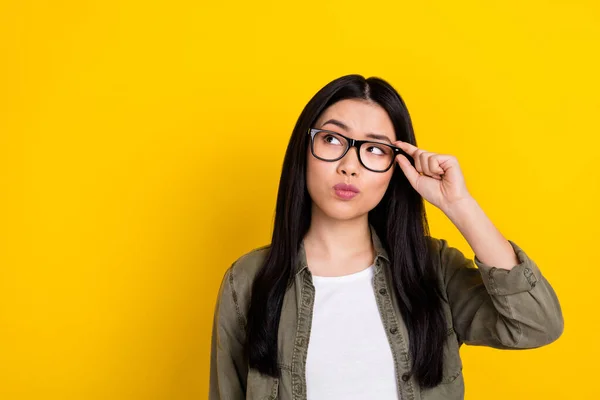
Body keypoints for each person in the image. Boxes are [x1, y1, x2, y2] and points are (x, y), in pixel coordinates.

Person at [208, 74, 564, 400]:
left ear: (396, 167)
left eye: (375, 149)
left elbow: (536, 324)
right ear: (304, 150)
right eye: (332, 139)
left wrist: (459, 205)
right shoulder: (248, 280)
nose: (350, 165)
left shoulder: (432, 269)